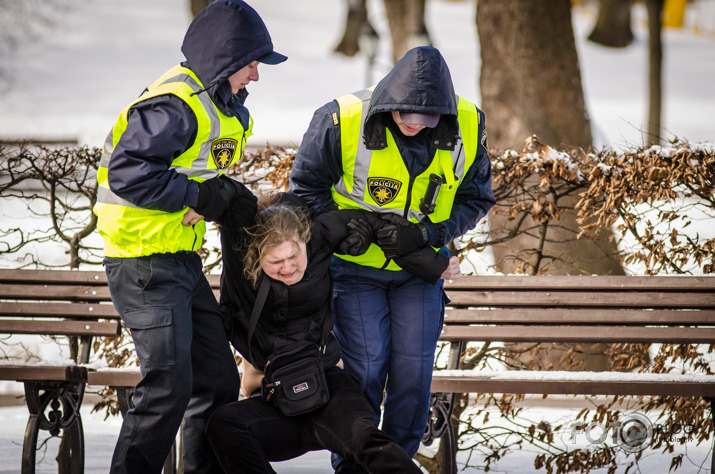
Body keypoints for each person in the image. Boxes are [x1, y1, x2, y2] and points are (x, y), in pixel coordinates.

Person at [92, 1, 286, 472]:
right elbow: (130, 173)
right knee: (168, 385)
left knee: (218, 383)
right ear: (224, 57)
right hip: (142, 261)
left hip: (177, 259)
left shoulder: (213, 101)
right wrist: (202, 196)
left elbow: (194, 172)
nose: (256, 76)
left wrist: (223, 195)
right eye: (252, 63)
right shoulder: (175, 103)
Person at [289, 45, 496, 471]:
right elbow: (304, 190)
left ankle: (395, 465)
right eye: (406, 116)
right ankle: (353, 464)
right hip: (355, 272)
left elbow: (477, 197)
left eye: (428, 119)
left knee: (412, 377)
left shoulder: (468, 122)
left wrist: (428, 233)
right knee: (364, 371)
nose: (416, 126)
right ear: (388, 102)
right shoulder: (339, 119)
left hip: (418, 273)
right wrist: (346, 226)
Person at [205, 191, 452, 473]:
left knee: (368, 441)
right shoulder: (241, 265)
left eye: (294, 255)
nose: (288, 267)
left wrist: (433, 263)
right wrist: (200, 200)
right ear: (256, 256)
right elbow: (226, 192)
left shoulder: (320, 235)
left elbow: (379, 225)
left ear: (304, 240)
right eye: (275, 262)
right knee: (224, 424)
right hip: (275, 399)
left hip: (330, 388)